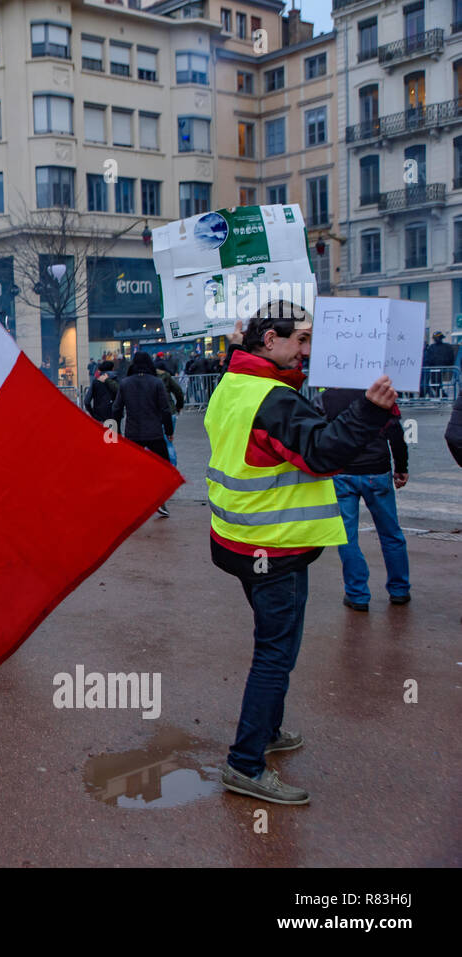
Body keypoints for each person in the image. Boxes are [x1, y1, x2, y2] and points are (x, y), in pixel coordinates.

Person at [206, 312, 398, 806]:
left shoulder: (233, 382)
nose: (307, 351)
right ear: (271, 340)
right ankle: (245, 764)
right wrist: (370, 412)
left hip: (238, 539)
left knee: (276, 647)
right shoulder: (272, 397)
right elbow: (321, 453)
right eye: (302, 340)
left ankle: (266, 732)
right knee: (275, 654)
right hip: (276, 547)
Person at [317, 387, 410, 610]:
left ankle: (357, 594)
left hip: (342, 472)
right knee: (390, 533)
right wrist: (401, 466)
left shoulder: (326, 397)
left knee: (347, 536)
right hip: (377, 471)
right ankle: (399, 589)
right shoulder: (378, 392)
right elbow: (395, 433)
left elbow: (317, 435)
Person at [111, 351, 175, 516]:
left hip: (132, 432)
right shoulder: (156, 383)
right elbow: (165, 409)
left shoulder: (125, 383)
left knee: (131, 469)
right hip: (154, 432)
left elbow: (116, 409)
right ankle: (159, 499)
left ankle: (132, 501)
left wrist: (115, 431)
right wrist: (169, 430)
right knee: (164, 467)